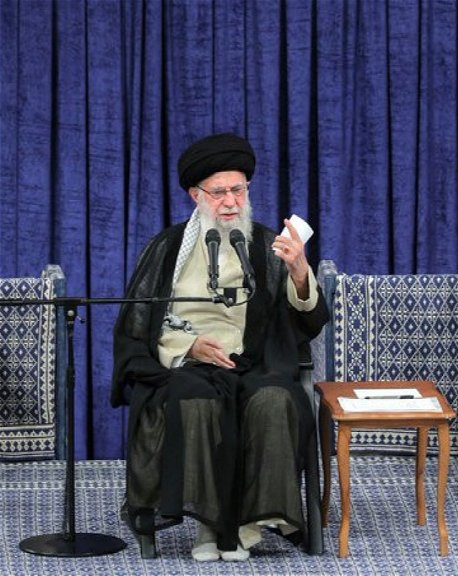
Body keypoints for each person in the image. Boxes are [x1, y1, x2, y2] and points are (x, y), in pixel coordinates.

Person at [111, 133, 329, 562]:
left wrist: (300, 272)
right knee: (196, 399)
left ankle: (250, 521)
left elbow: (309, 320)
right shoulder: (168, 248)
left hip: (256, 362)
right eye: (218, 192)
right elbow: (137, 325)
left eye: (238, 190)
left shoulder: (268, 245)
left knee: (273, 400)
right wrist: (189, 345)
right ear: (196, 195)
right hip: (188, 364)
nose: (230, 201)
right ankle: (209, 523)